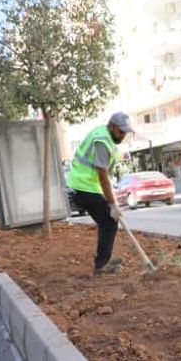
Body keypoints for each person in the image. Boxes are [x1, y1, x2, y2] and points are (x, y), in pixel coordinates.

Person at [67, 112, 134, 275]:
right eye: (120, 131)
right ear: (112, 126)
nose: (123, 135)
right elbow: (102, 176)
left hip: (88, 185)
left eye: (125, 132)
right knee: (109, 221)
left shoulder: (106, 136)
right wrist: (112, 204)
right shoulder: (103, 142)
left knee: (108, 222)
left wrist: (112, 201)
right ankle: (101, 264)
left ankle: (103, 260)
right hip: (84, 186)